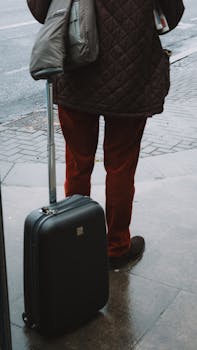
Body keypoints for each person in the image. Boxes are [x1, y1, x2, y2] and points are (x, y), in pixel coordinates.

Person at [27, 0, 170, 268]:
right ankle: (117, 247)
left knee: (78, 163)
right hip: (132, 77)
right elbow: (172, 15)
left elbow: (40, 9)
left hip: (77, 73)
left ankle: (75, 239)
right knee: (121, 168)